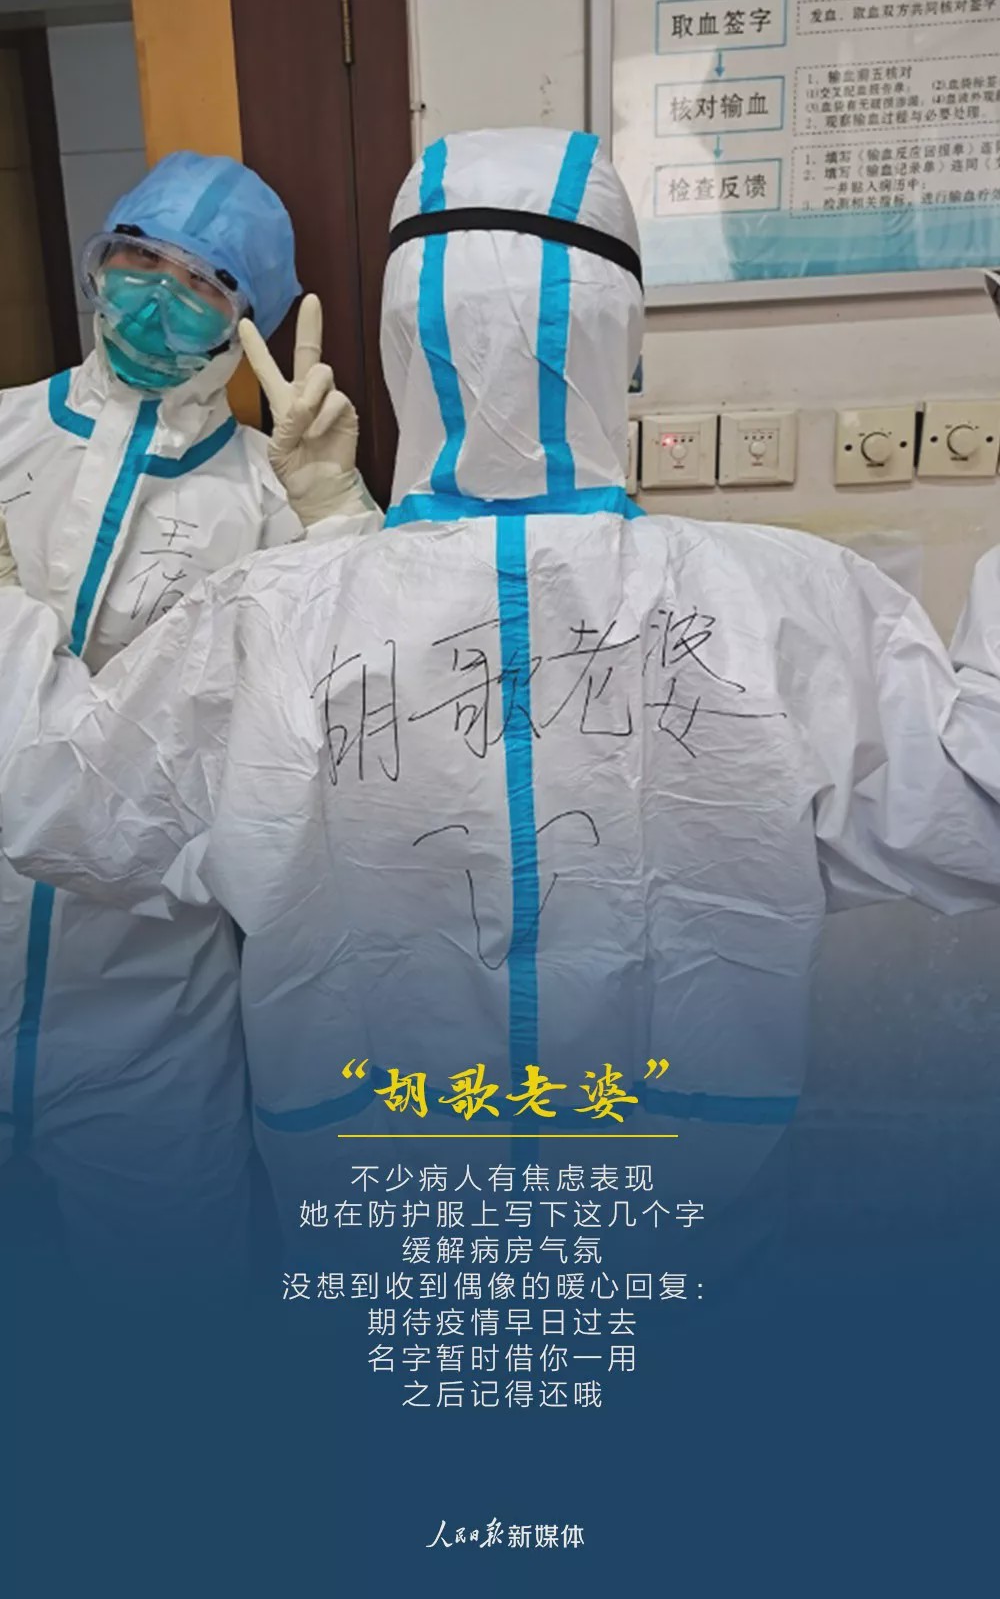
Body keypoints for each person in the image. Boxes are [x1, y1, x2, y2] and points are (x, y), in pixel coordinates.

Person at [1, 127, 999, 1259]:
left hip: (384, 1219)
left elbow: (67, 813)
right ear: (625, 347)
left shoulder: (277, 612)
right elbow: (976, 805)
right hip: (675, 1219)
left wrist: (11, 625)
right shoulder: (783, 602)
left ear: (398, 347)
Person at [0, 149, 376, 1277]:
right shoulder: (4, 438)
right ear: (97, 261)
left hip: (153, 995)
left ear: (247, 320)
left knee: (164, 1298)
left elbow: (362, 690)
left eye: (202, 282)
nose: (157, 296)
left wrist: (339, 512)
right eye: (137, 261)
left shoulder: (269, 492)